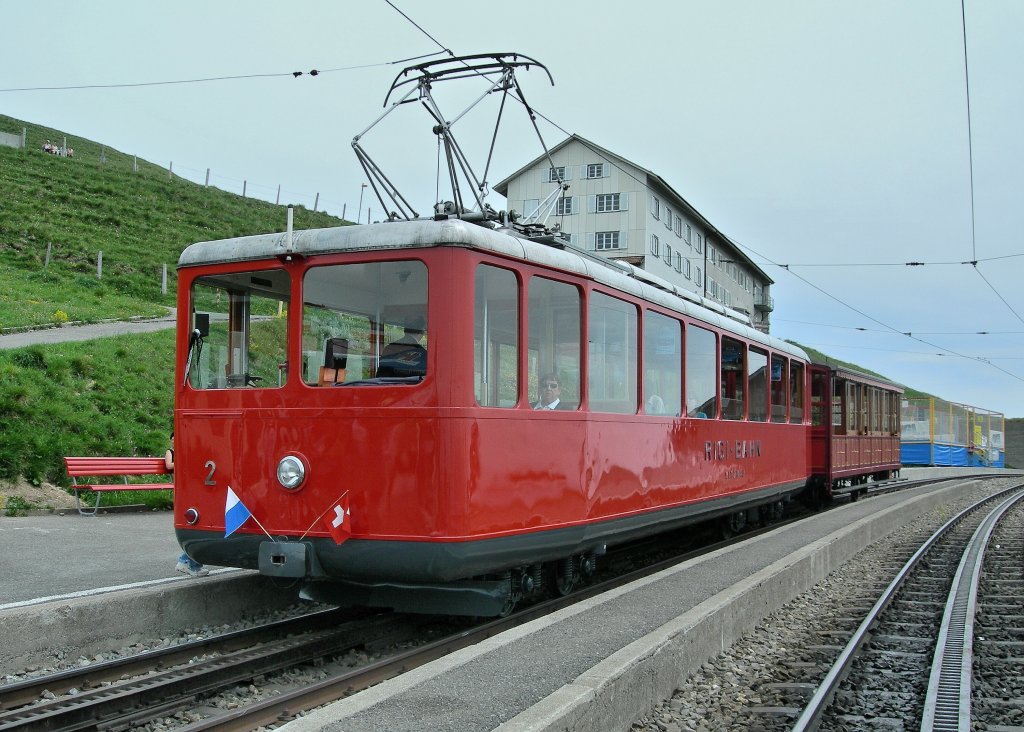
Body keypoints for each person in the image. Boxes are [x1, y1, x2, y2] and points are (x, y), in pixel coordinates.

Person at [167, 432, 209, 577]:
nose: (174, 441)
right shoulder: (172, 452)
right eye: (172, 439)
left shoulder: (187, 451)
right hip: (185, 487)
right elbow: (169, 465)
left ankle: (192, 562)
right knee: (202, 525)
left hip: (191, 486)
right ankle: (186, 561)